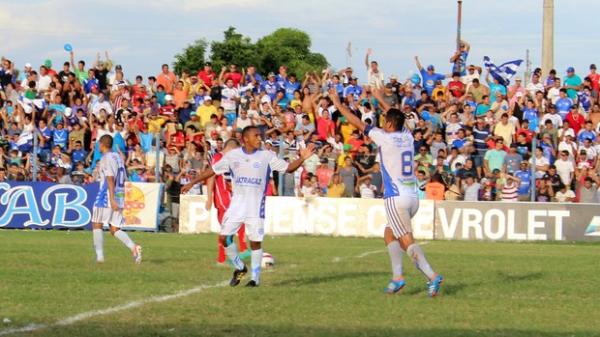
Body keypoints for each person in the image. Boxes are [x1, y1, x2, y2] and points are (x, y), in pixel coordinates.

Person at [330, 87, 443, 297]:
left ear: (389, 124)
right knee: (389, 234)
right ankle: (397, 278)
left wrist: (337, 105)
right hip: (412, 197)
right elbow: (395, 114)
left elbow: (358, 123)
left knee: (406, 240)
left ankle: (431, 275)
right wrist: (380, 97)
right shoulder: (407, 136)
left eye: (384, 120)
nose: (382, 122)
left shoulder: (385, 137)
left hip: (395, 197)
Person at [182, 126, 314, 287]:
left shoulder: (266, 156)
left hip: (256, 207)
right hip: (237, 205)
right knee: (224, 237)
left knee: (255, 242)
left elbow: (289, 169)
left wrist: (302, 158)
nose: (260, 138)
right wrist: (192, 183)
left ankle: (255, 279)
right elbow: (212, 171)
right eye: (256, 136)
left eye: (260, 135)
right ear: (246, 139)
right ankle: (240, 267)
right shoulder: (233, 156)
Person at [91, 135, 142, 264]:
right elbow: (123, 177)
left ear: (102, 144)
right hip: (119, 194)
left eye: (98, 143)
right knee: (114, 228)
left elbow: (109, 178)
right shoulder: (118, 157)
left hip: (107, 195)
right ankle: (134, 248)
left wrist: (112, 199)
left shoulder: (106, 158)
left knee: (97, 223)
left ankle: (100, 258)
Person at [205, 138, 249, 264]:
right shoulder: (219, 157)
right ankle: (242, 248)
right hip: (223, 196)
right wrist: (209, 198)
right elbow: (211, 178)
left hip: (229, 196)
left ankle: (222, 258)